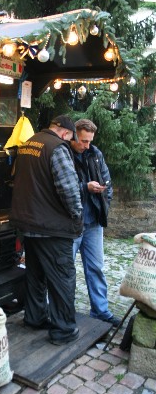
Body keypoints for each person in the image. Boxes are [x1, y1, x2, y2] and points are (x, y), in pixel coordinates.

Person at [10, 115, 83, 345]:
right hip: (52, 228)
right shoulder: (57, 148)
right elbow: (69, 189)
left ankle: (35, 318)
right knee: (62, 278)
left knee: (35, 275)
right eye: (70, 138)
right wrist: (77, 215)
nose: (69, 141)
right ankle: (63, 329)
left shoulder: (28, 143)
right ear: (64, 133)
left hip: (28, 223)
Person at [70, 119, 120, 327]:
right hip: (72, 223)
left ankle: (100, 310)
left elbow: (107, 182)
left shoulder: (96, 153)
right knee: (66, 270)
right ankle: (64, 311)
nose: (87, 145)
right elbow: (64, 187)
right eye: (83, 141)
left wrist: (104, 201)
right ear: (73, 136)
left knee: (97, 268)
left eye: (90, 141)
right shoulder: (65, 154)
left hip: (93, 223)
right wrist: (85, 187)